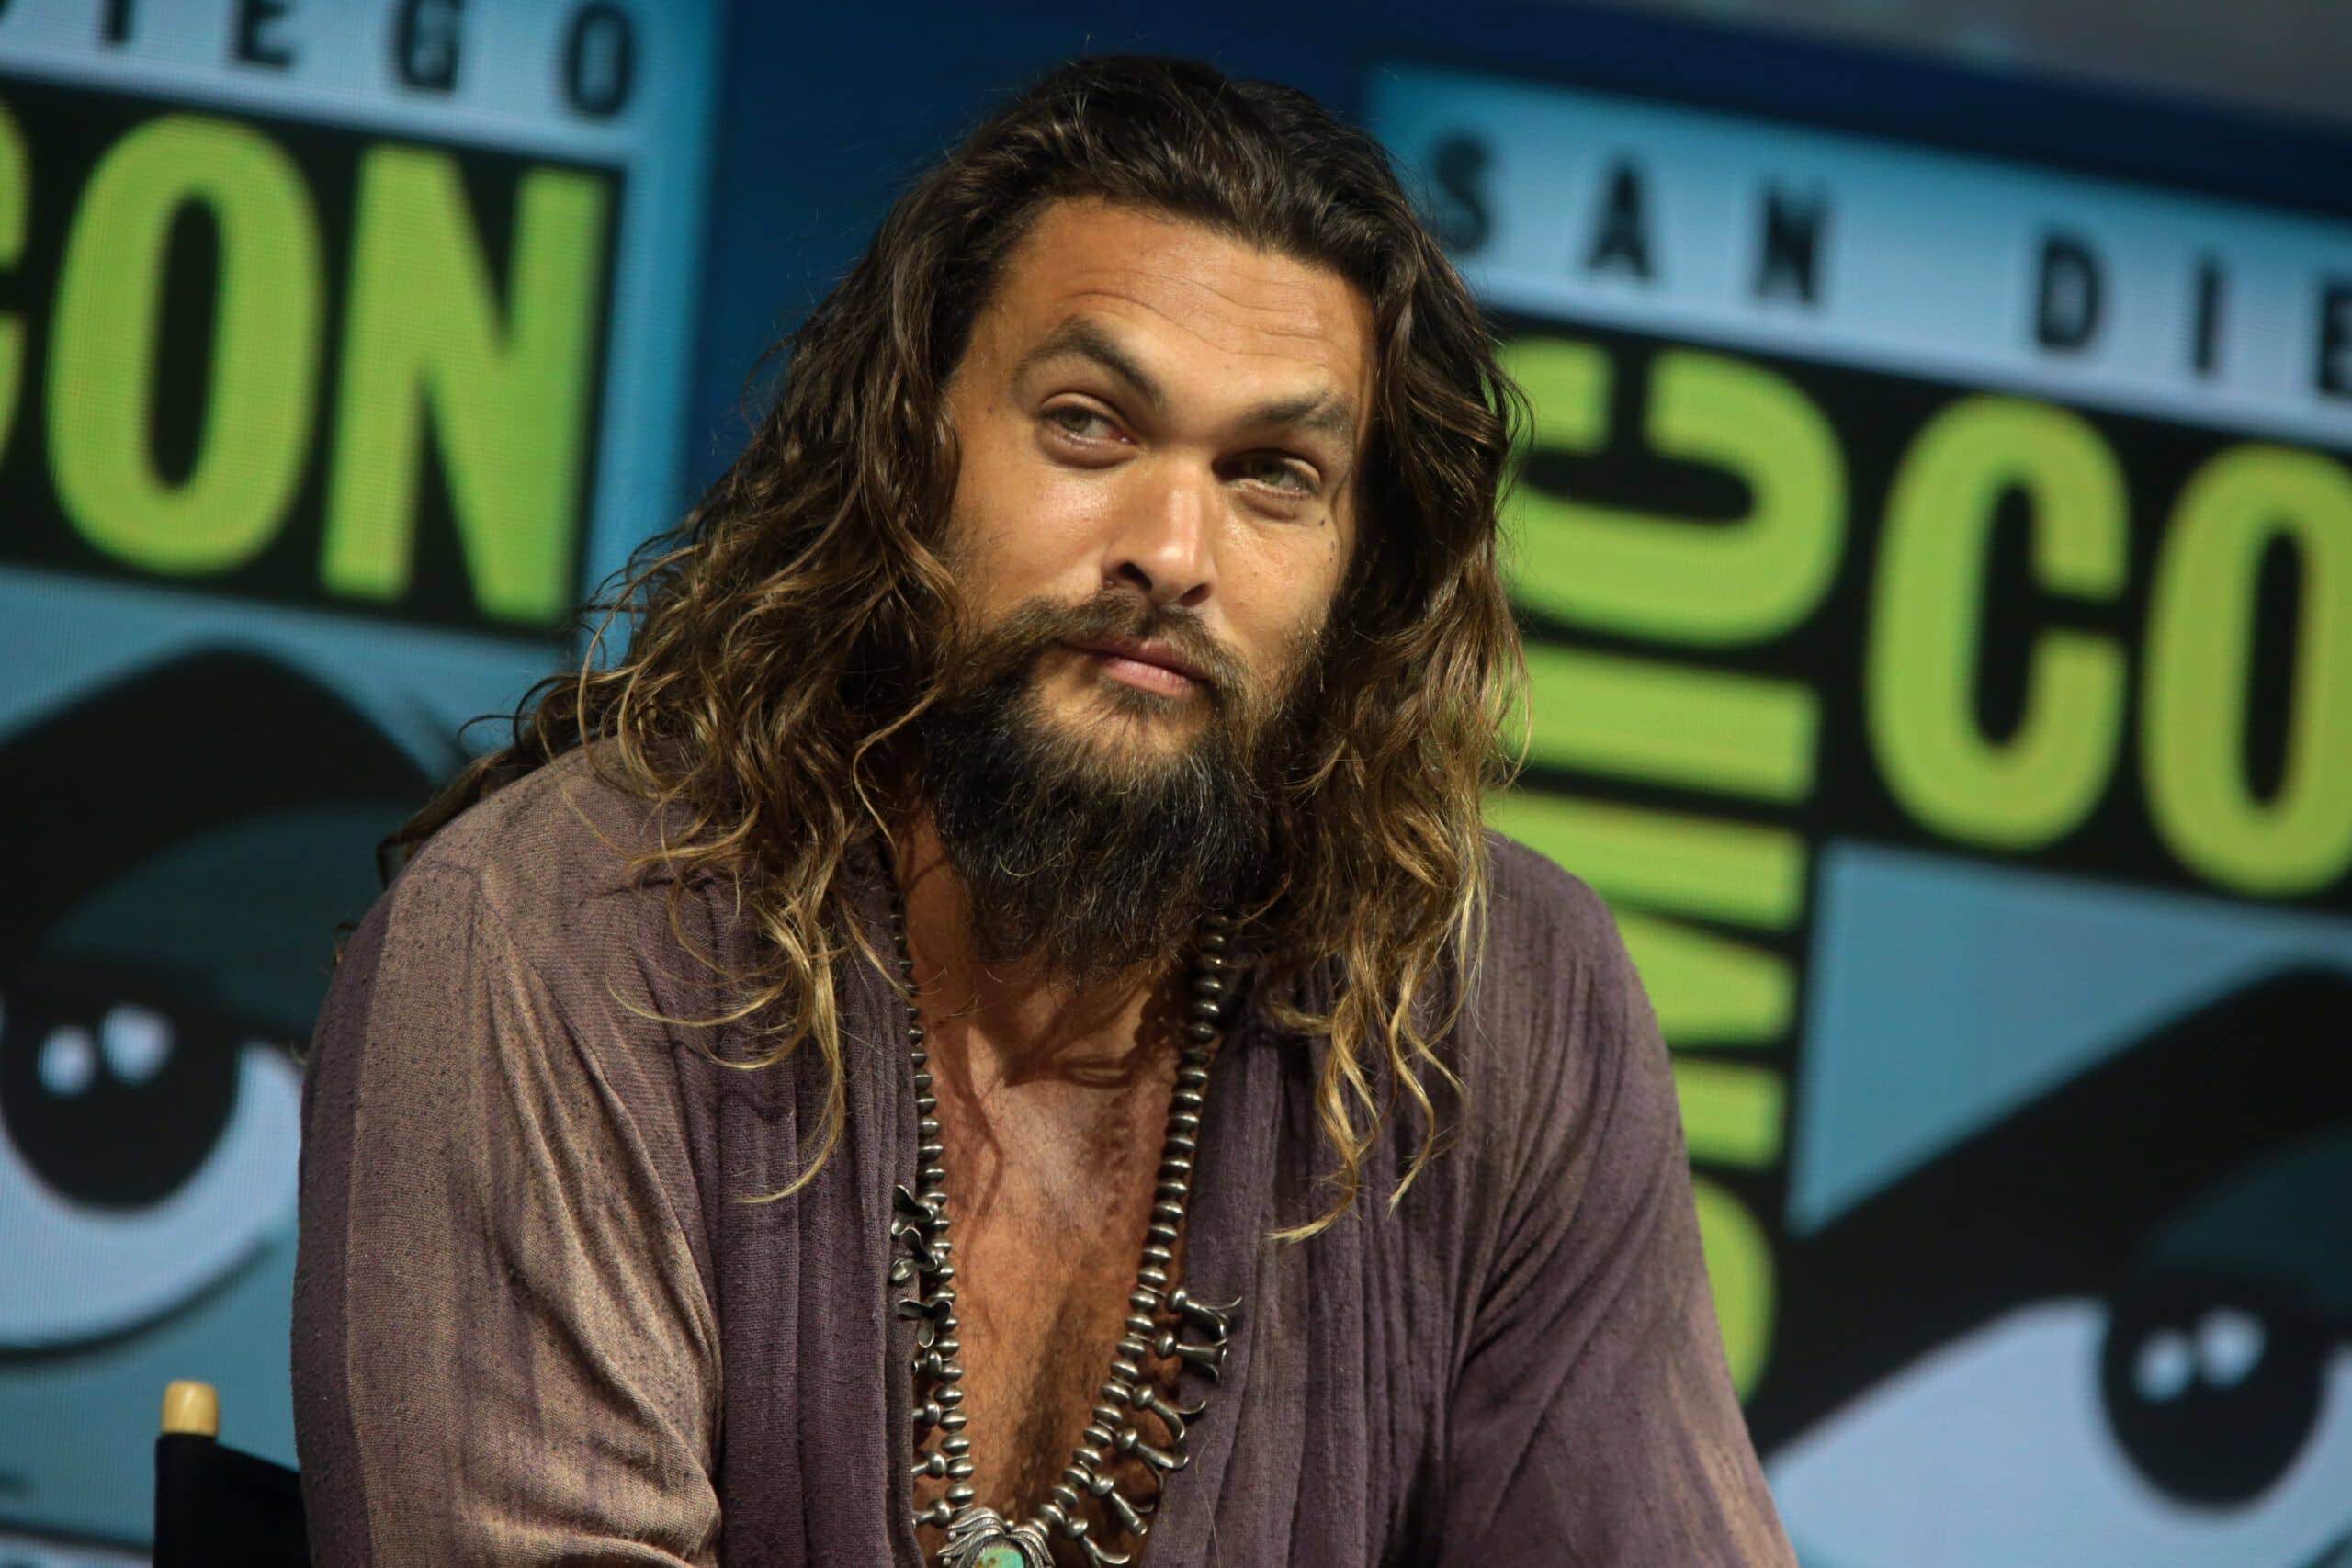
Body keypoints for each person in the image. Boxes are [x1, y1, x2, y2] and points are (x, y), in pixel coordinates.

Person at [291, 52, 1794, 1567]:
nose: (1172, 551)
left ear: (1364, 572)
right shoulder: (558, 938)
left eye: (1274, 474)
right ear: (907, 451)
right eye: (1089, 424)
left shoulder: (1500, 1006)